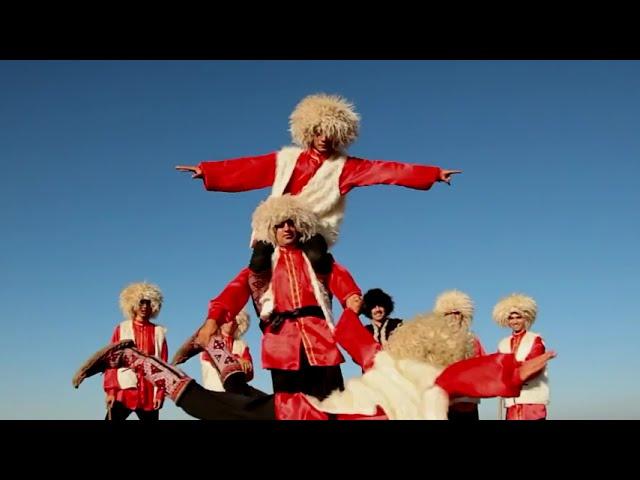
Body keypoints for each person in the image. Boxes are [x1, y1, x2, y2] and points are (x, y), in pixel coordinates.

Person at [73, 310, 556, 420]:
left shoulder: (384, 355)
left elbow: (352, 333)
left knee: (243, 401)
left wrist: (338, 301)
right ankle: (131, 356)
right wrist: (517, 371)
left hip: (325, 409)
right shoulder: (441, 377)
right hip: (323, 417)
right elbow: (479, 376)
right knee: (226, 408)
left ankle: (216, 349)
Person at [176, 93, 462, 275]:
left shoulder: (346, 168)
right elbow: (248, 168)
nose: (324, 138)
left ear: (340, 135)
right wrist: (207, 170)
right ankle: (267, 306)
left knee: (317, 257)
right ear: (308, 132)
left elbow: (386, 170)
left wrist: (432, 173)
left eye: (330, 133)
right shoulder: (287, 159)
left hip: (314, 226)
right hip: (277, 221)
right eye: (318, 132)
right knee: (259, 261)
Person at [172, 195, 367, 418]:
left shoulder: (316, 262)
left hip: (321, 344)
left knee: (334, 406)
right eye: (280, 224)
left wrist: (351, 296)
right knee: (289, 410)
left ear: (300, 226)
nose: (287, 228)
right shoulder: (261, 270)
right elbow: (232, 293)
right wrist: (212, 320)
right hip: (282, 348)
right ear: (270, 230)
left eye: (291, 222)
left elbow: (339, 278)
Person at [103, 282, 168, 420]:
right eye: (141, 302)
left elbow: (163, 366)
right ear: (133, 304)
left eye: (148, 303)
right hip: (124, 390)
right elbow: (111, 362)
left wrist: (160, 394)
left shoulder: (159, 332)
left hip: (150, 392)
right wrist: (111, 391)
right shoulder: (121, 329)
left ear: (154, 306)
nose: (144, 306)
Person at [493, 293, 550, 420]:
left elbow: (534, 365)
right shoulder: (502, 343)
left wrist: (513, 376)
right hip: (511, 403)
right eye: (511, 318)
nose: (515, 321)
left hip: (532, 401)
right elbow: (498, 368)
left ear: (525, 318)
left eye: (518, 317)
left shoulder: (535, 340)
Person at [433, 290, 486, 420]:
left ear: (463, 315)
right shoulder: (436, 340)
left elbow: (484, 365)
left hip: (468, 399)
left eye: (456, 312)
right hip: (444, 399)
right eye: (448, 313)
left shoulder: (473, 339)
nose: (453, 316)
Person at [199, 310, 253, 392]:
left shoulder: (242, 345)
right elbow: (209, 356)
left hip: (237, 394)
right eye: (228, 319)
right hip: (214, 391)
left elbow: (250, 372)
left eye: (235, 321)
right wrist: (237, 360)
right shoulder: (210, 339)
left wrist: (244, 367)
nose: (231, 323)